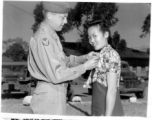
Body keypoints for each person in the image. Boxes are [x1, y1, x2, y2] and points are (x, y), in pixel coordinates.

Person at [28, 2, 99, 115]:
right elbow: (57, 74)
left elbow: (64, 62)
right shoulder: (43, 38)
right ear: (50, 15)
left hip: (55, 94)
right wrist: (84, 67)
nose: (65, 21)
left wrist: (85, 58)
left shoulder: (52, 35)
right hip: (49, 97)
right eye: (63, 17)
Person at [84, 20, 124, 116]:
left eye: (94, 36)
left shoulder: (111, 55)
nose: (91, 40)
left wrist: (107, 117)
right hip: (98, 109)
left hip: (109, 112)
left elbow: (112, 90)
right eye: (89, 37)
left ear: (106, 34)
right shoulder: (100, 55)